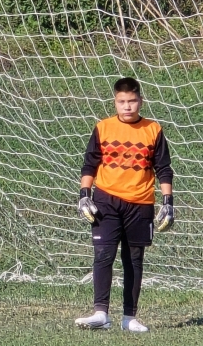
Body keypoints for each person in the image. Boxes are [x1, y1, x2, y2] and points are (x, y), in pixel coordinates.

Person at [75, 77, 174, 332]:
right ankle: (100, 313)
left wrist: (168, 202)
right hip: (105, 201)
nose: (127, 106)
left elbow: (163, 168)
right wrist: (84, 195)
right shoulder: (103, 127)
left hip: (140, 203)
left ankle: (129, 317)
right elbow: (90, 163)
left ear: (141, 101)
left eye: (132, 101)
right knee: (103, 254)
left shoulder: (154, 129)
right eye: (122, 101)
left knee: (134, 259)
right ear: (115, 102)